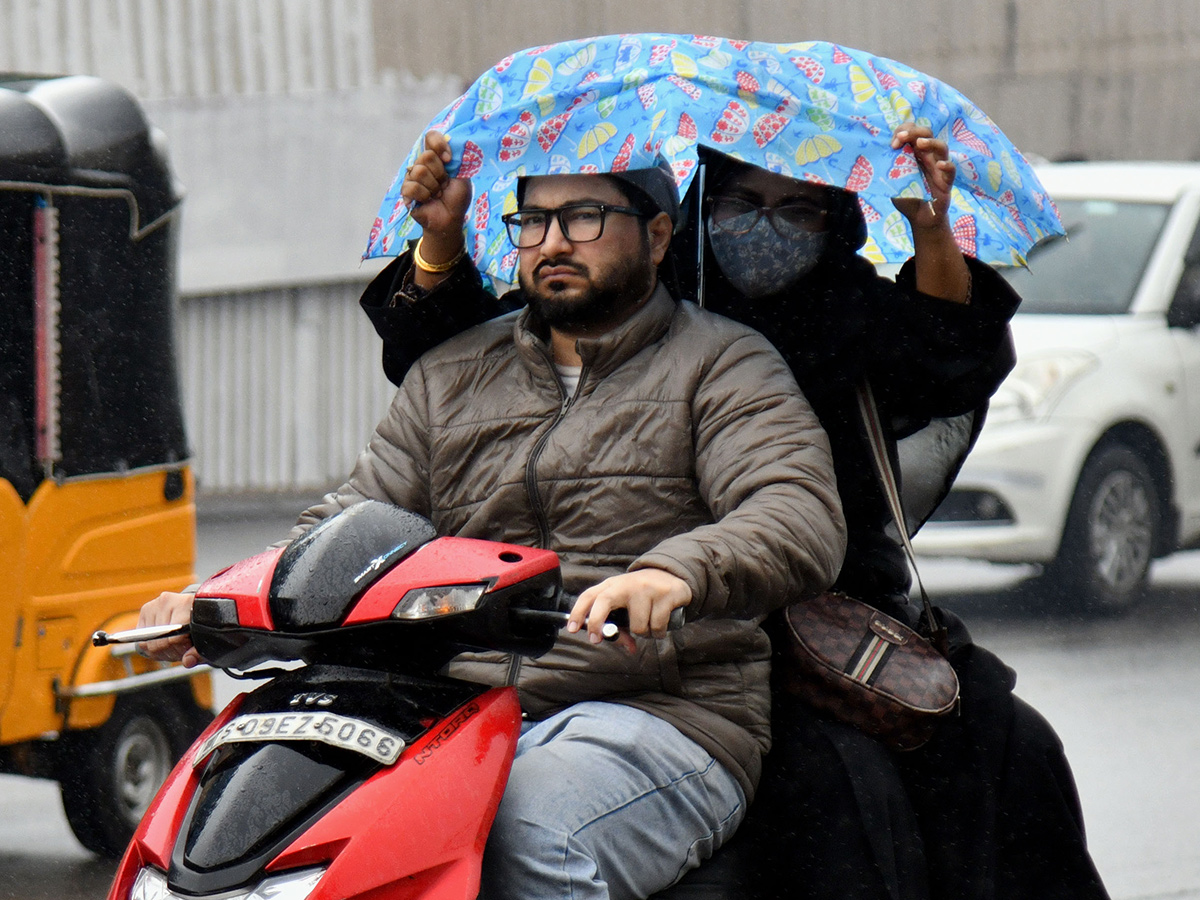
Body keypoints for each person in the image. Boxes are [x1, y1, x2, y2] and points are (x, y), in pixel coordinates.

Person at [359, 127, 1110, 899]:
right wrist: (441, 239)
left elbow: (945, 360)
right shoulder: (585, 301)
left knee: (957, 763)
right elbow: (438, 375)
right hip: (548, 651)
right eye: (742, 204)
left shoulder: (789, 334)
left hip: (790, 619)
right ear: (696, 214)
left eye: (796, 211)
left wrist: (928, 227)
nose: (764, 227)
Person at [139, 158, 848, 900]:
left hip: (655, 710)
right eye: (533, 221)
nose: (553, 242)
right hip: (444, 711)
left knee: (522, 830)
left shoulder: (725, 364)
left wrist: (674, 573)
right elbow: (346, 523)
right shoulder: (450, 372)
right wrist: (218, 598)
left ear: (660, 234)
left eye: (584, 218)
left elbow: (793, 508)